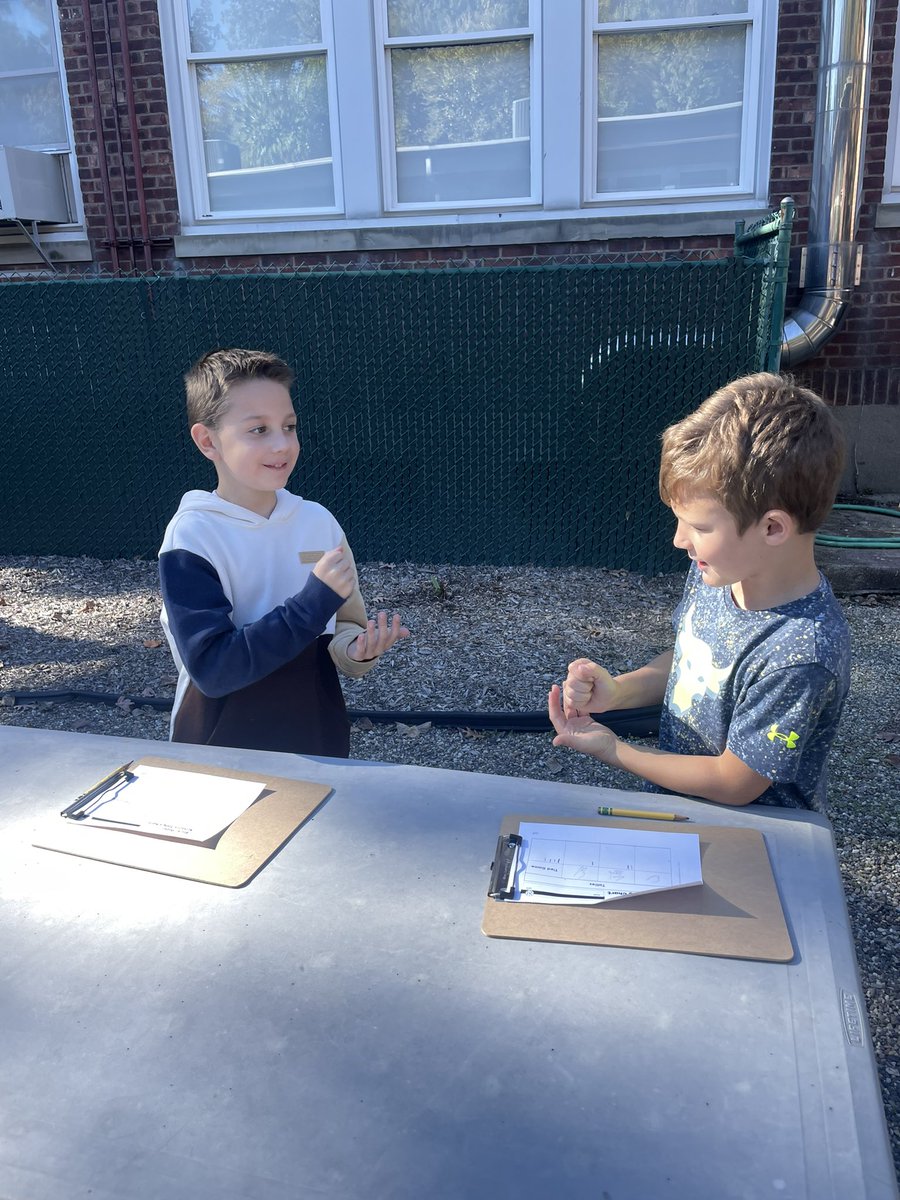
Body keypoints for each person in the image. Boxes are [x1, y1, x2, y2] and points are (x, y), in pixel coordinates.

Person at [548, 372, 851, 809]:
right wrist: (620, 692)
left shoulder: (802, 653)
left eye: (699, 526)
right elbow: (693, 657)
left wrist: (615, 750)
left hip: (751, 835)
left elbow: (734, 783)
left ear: (772, 527)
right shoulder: (720, 573)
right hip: (683, 805)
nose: (678, 540)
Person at [158, 347, 409, 756]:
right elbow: (214, 670)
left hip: (317, 739)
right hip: (218, 749)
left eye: (289, 426)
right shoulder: (192, 536)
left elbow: (345, 624)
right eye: (258, 430)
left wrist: (356, 651)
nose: (282, 444)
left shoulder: (318, 521)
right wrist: (311, 604)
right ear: (208, 442)